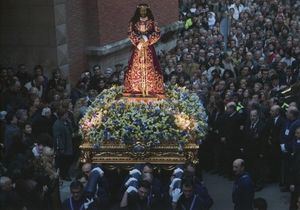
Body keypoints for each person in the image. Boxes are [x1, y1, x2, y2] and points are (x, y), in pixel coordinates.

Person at [124, 3, 164, 96]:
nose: (143, 12)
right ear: (138, 11)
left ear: (147, 11)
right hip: (138, 48)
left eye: (145, 10)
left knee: (152, 66)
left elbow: (157, 33)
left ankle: (152, 87)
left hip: (148, 47)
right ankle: (136, 87)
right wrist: (139, 42)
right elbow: (130, 33)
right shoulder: (133, 22)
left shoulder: (152, 22)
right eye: (141, 10)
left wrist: (147, 39)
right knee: (135, 66)